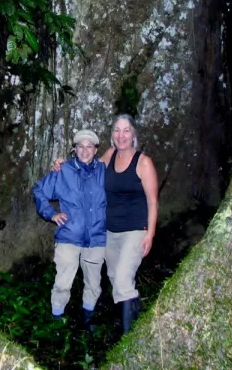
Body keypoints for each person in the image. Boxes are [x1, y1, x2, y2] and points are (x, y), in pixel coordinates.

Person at [52, 114, 158, 334]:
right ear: (112, 135)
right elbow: (86, 169)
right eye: (117, 130)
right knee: (112, 276)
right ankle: (129, 317)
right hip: (109, 231)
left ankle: (130, 337)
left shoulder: (143, 163)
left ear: (133, 134)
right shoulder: (109, 155)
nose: (121, 135)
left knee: (121, 279)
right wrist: (63, 165)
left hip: (136, 230)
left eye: (126, 130)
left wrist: (150, 234)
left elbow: (153, 201)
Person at [32, 129, 107, 330]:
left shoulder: (104, 171)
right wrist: (51, 213)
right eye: (80, 146)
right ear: (74, 149)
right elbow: (39, 190)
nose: (85, 150)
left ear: (96, 149)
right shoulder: (63, 170)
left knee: (93, 282)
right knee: (63, 282)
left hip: (97, 237)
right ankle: (57, 323)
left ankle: (87, 320)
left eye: (89, 146)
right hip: (69, 236)